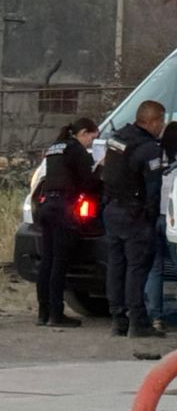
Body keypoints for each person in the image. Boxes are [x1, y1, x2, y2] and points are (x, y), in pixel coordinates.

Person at [101, 100, 167, 336]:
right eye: (161, 120)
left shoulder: (117, 138)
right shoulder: (149, 148)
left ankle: (118, 318)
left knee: (116, 266)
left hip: (112, 210)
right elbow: (154, 188)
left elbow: (106, 173)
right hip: (134, 214)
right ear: (152, 120)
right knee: (137, 268)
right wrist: (149, 217)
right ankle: (138, 322)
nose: (163, 126)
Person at [31, 116, 99, 328]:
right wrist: (101, 171)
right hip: (63, 208)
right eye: (92, 139)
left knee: (47, 261)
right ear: (84, 133)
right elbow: (88, 182)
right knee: (59, 262)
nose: (91, 144)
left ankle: (43, 313)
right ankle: (57, 314)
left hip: (47, 206)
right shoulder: (76, 150)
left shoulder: (55, 147)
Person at [143, 121, 177, 334]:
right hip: (175, 223)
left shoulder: (156, 165)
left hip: (154, 220)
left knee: (155, 269)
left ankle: (156, 318)